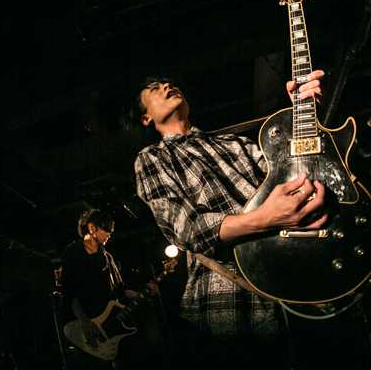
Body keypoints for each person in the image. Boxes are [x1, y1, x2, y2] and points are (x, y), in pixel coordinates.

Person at [133, 70, 328, 369]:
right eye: (155, 88)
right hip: (230, 303)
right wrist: (266, 218)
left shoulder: (235, 142)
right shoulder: (152, 158)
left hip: (298, 281)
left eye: (169, 83)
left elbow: (298, 174)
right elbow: (185, 229)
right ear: (146, 118)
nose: (168, 86)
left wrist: (303, 116)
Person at [60, 208, 144, 370]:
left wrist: (142, 293)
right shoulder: (73, 253)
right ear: (91, 228)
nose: (109, 233)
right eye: (105, 229)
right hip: (86, 330)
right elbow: (69, 294)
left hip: (109, 329)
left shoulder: (107, 257)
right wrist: (85, 322)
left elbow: (121, 291)